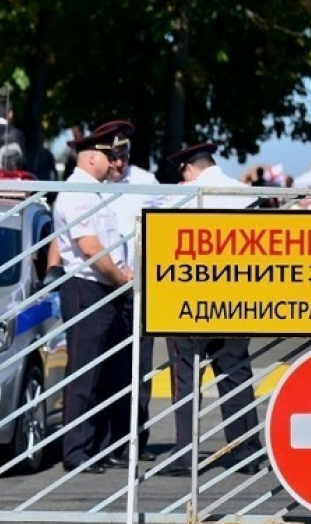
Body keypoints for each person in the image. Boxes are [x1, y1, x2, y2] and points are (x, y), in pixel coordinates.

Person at [163, 142, 263, 477]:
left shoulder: (179, 197)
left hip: (188, 300)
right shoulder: (245, 194)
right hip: (235, 296)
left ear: (187, 169)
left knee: (186, 378)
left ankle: (186, 455)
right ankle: (248, 450)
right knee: (236, 373)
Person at [52, 122, 133, 474]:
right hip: (88, 287)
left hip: (104, 287)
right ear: (90, 158)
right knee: (84, 373)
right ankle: (76, 451)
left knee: (104, 372)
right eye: (108, 154)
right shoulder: (78, 192)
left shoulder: (95, 190)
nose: (114, 160)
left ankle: (96, 446)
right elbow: (90, 248)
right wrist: (121, 278)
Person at [92, 120, 158, 465]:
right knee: (105, 369)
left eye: (124, 156)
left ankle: (133, 439)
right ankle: (101, 443)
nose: (119, 164)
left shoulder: (145, 182)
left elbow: (171, 222)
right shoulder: (92, 186)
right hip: (103, 288)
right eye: (113, 157)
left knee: (138, 371)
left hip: (138, 289)